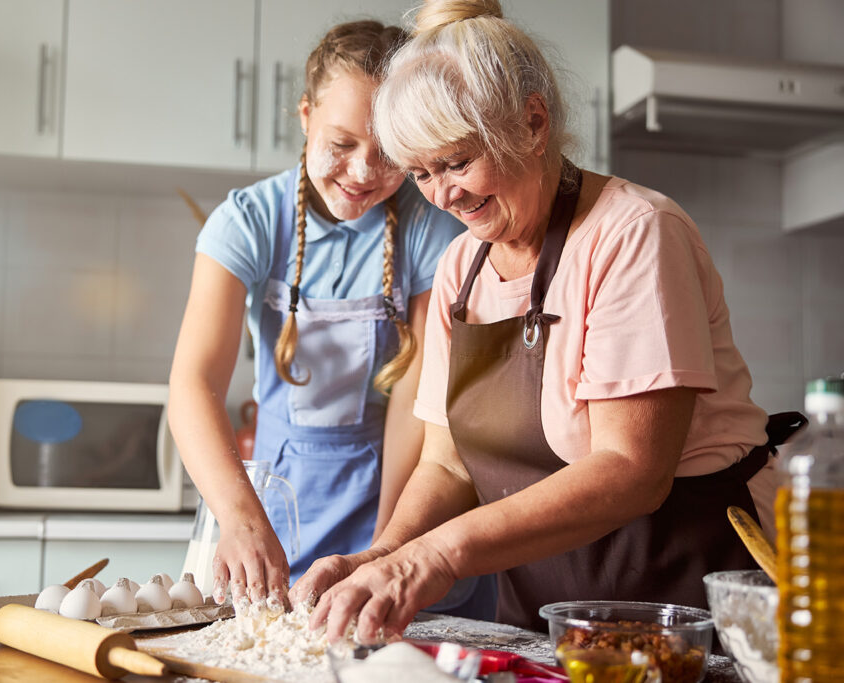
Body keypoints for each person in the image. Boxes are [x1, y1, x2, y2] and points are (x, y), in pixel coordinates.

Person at [291, 0, 805, 641]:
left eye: (456, 162)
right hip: (548, 616)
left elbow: (630, 469)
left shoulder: (634, 232)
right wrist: (385, 554)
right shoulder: (461, 269)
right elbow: (447, 464)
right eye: (421, 173)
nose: (443, 195)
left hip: (687, 594)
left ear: (534, 122)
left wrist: (439, 556)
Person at [168, 20, 468, 609]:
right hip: (275, 509)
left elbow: (418, 397)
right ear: (305, 115)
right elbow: (194, 382)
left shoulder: (429, 224)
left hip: (399, 498)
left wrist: (387, 549)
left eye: (387, 154)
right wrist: (241, 519)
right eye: (341, 144)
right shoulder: (248, 221)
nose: (362, 173)